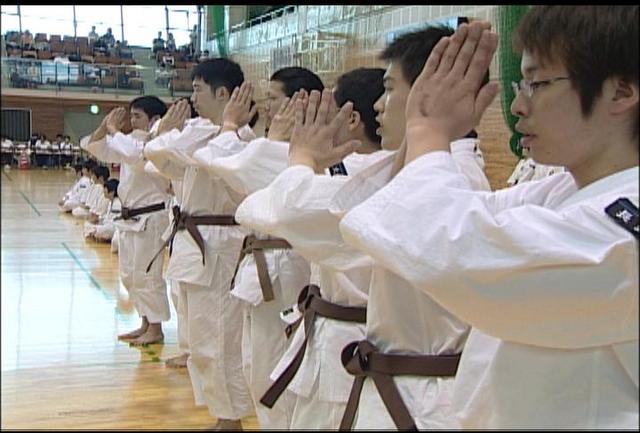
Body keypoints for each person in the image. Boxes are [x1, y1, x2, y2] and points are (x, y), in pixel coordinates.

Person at [338, 7, 638, 429]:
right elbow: (429, 224)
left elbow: (457, 250)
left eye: (536, 84)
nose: (517, 106)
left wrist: (427, 131)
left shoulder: (624, 225)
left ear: (621, 93)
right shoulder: (565, 191)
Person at [236, 26, 491, 430]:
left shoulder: (444, 179)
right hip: (404, 381)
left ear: (433, 91)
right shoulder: (422, 171)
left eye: (389, 89)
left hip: (416, 392)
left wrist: (301, 156)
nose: (378, 105)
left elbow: (284, 209)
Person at [190, 66, 325, 429]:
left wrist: (231, 126)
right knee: (260, 363)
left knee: (273, 366)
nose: (266, 107)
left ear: (300, 103)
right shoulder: (277, 149)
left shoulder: (290, 152)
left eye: (274, 100)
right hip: (268, 264)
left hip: (283, 268)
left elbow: (218, 162)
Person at [143, 59, 255, 431]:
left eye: (198, 89)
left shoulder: (240, 139)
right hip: (193, 242)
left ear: (223, 93)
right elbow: (160, 164)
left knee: (219, 338)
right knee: (200, 337)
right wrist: (167, 135)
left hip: (219, 244)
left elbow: (174, 158)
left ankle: (231, 418)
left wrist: (169, 138)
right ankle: (222, 414)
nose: (192, 97)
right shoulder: (198, 131)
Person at [83, 96, 171, 346]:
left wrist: (114, 131)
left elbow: (135, 156)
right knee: (130, 275)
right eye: (131, 116)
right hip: (129, 216)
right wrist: (105, 125)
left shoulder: (157, 144)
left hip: (151, 216)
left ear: (154, 120)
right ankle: (145, 321)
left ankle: (156, 327)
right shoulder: (128, 142)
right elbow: (95, 146)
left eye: (137, 116)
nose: (132, 121)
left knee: (147, 275)